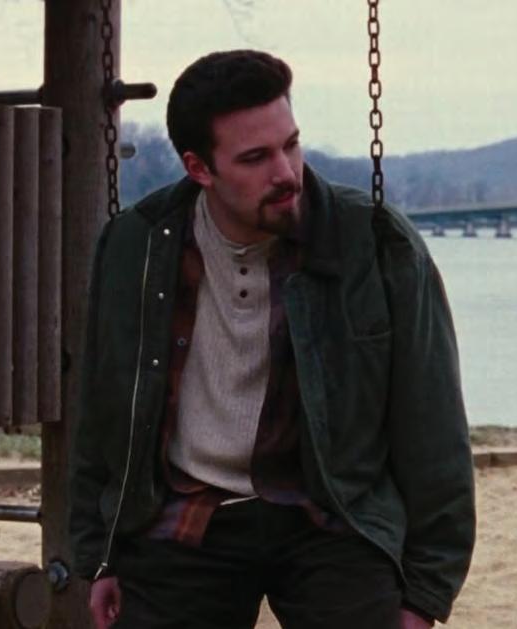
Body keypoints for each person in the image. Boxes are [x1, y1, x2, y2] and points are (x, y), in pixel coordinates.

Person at [69, 49, 475, 629]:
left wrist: (426, 592)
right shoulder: (138, 244)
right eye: (255, 157)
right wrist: (100, 553)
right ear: (199, 168)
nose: (286, 172)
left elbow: (433, 424)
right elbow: (101, 409)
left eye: (291, 144)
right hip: (187, 510)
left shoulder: (376, 244)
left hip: (331, 513)